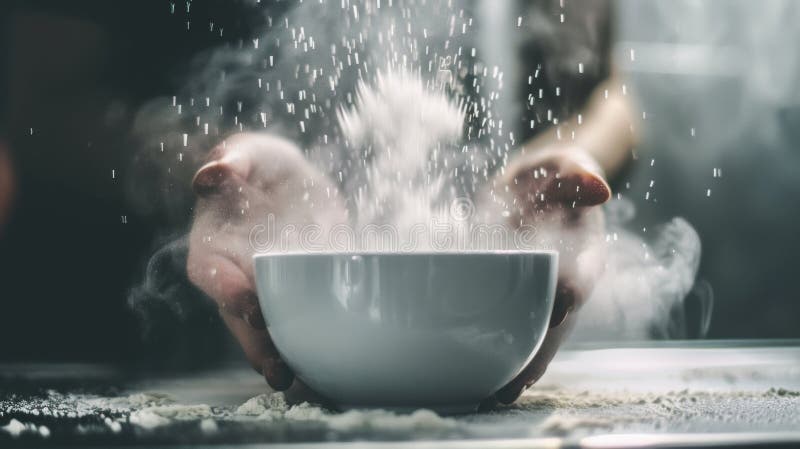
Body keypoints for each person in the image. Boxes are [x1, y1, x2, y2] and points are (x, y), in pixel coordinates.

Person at [0, 0, 635, 405]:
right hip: (152, 365)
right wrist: (215, 170)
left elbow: (610, 96)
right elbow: (38, 102)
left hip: (499, 345)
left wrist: (565, 168)